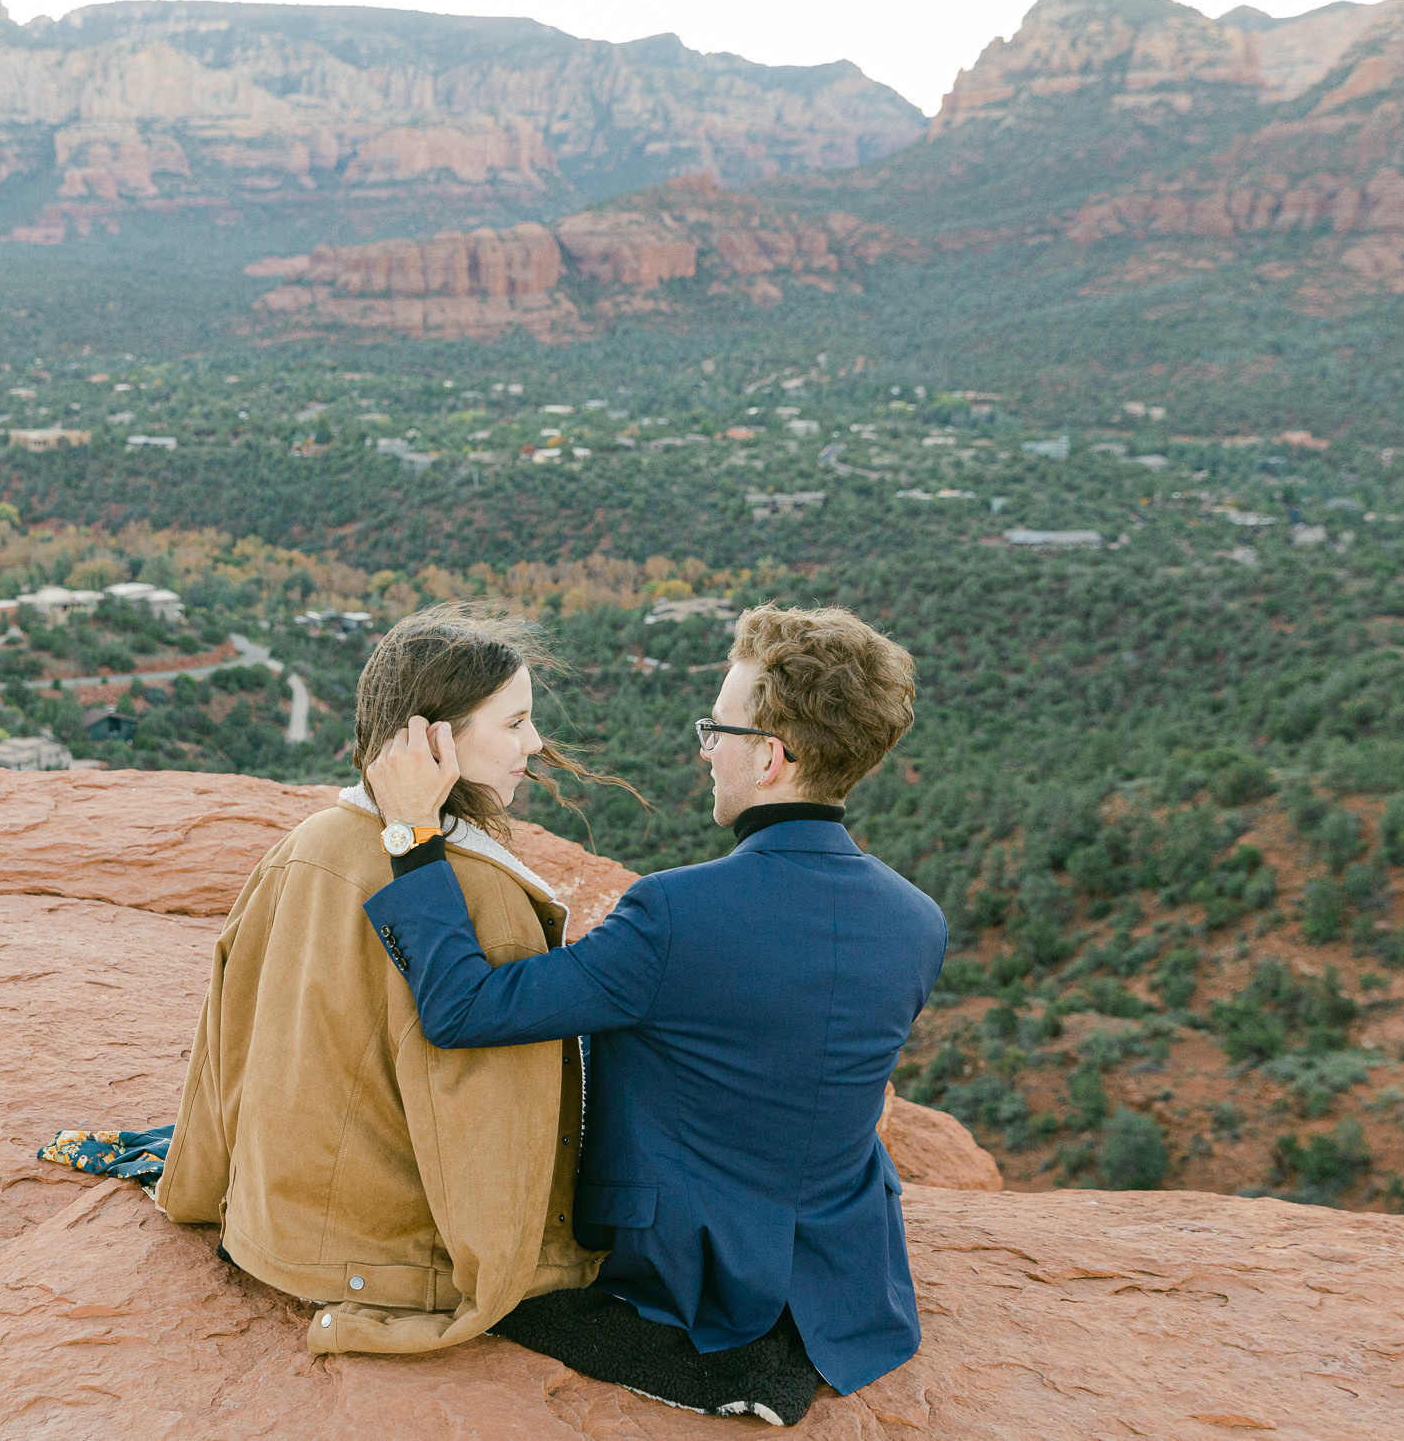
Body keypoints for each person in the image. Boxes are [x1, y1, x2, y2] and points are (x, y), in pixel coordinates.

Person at [363, 604, 948, 1425]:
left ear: (772, 758)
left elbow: (464, 1007)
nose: (705, 746)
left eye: (719, 728)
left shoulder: (675, 913)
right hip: (849, 1274)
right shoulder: (919, 920)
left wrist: (413, 837)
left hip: (685, 1266)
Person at [151, 604, 638, 1355]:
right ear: (431, 738)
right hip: (389, 1261)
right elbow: (481, 1122)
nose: (534, 744)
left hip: (270, 1230)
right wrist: (525, 1269)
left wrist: (196, 1186)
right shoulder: (485, 900)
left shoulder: (305, 844)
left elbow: (226, 1036)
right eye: (513, 723)